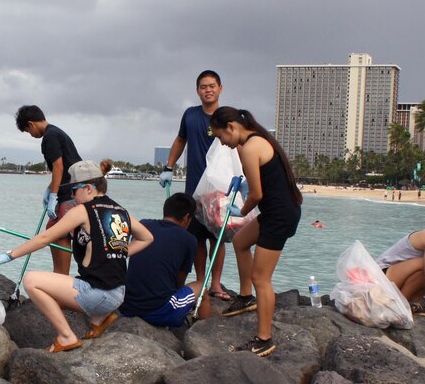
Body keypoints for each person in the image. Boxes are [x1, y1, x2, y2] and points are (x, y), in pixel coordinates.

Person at [0, 159, 154, 352]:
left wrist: (9, 255)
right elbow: (147, 237)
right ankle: (99, 319)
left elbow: (46, 237)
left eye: (74, 190)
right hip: (118, 293)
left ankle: (66, 336)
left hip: (98, 293)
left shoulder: (84, 210)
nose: (73, 196)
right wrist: (118, 253)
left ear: (89, 188)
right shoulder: (120, 210)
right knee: (51, 297)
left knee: (32, 281)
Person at [209, 106, 303, 357]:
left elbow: (257, 194)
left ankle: (264, 339)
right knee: (240, 241)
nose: (223, 143)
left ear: (231, 127)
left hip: (279, 216)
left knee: (262, 278)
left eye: (221, 137)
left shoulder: (250, 147)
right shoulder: (254, 141)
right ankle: (245, 296)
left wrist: (241, 209)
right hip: (276, 211)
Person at [158, 70, 232, 301]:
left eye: (212, 86)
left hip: (220, 188)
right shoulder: (190, 115)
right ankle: (201, 281)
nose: (208, 90)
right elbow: (181, 140)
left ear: (220, 88)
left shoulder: (227, 117)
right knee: (196, 238)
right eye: (203, 86)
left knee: (217, 238)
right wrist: (169, 167)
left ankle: (216, 284)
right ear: (197, 90)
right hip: (194, 189)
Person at [119, 193, 210, 326]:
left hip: (127, 307)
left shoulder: (143, 224)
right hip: (158, 311)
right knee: (202, 288)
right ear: (186, 218)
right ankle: (205, 331)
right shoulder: (189, 239)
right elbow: (179, 282)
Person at [14, 105, 83, 274]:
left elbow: (58, 166)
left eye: (28, 131)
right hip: (73, 189)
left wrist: (53, 195)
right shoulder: (57, 132)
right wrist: (50, 189)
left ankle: (60, 278)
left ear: (31, 124)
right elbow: (65, 167)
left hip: (71, 193)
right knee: (56, 231)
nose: (31, 135)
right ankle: (60, 277)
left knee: (59, 233)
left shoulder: (49, 136)